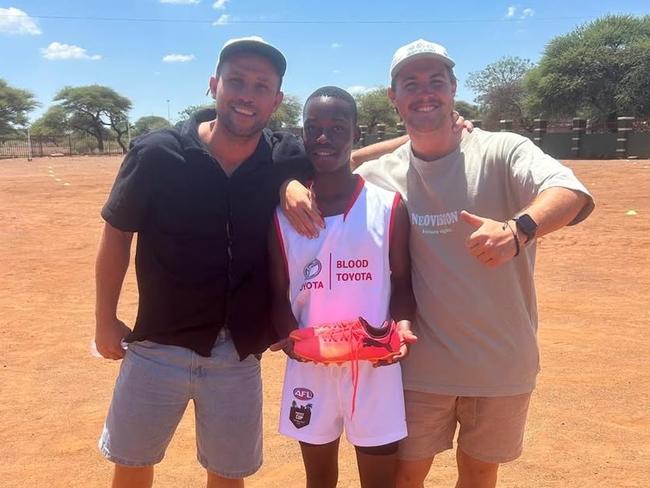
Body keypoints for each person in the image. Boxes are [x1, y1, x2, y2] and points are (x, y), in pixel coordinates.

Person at [283, 39, 594, 488]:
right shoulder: (380, 176)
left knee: (479, 475)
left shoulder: (504, 151)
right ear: (394, 96)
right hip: (417, 367)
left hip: (500, 363)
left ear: (453, 87)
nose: (424, 92)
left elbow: (573, 194)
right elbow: (331, 158)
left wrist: (518, 229)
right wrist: (288, 184)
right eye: (411, 83)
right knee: (404, 478)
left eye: (435, 81)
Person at [94, 36, 313, 488]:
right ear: (214, 85)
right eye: (236, 81)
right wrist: (103, 320)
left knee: (228, 474)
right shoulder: (157, 154)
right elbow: (117, 233)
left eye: (261, 86)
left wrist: (290, 181)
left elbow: (344, 162)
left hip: (237, 353)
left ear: (277, 99)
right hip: (157, 345)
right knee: (132, 464)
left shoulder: (283, 157)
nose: (246, 95)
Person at [268, 86, 417, 488]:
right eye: (314, 127)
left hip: (375, 364)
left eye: (337, 127)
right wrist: (289, 336)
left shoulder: (388, 207)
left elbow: (402, 282)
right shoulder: (283, 216)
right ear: (302, 136)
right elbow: (276, 290)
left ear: (356, 134)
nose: (324, 137)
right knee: (318, 480)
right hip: (310, 365)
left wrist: (402, 326)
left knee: (379, 481)